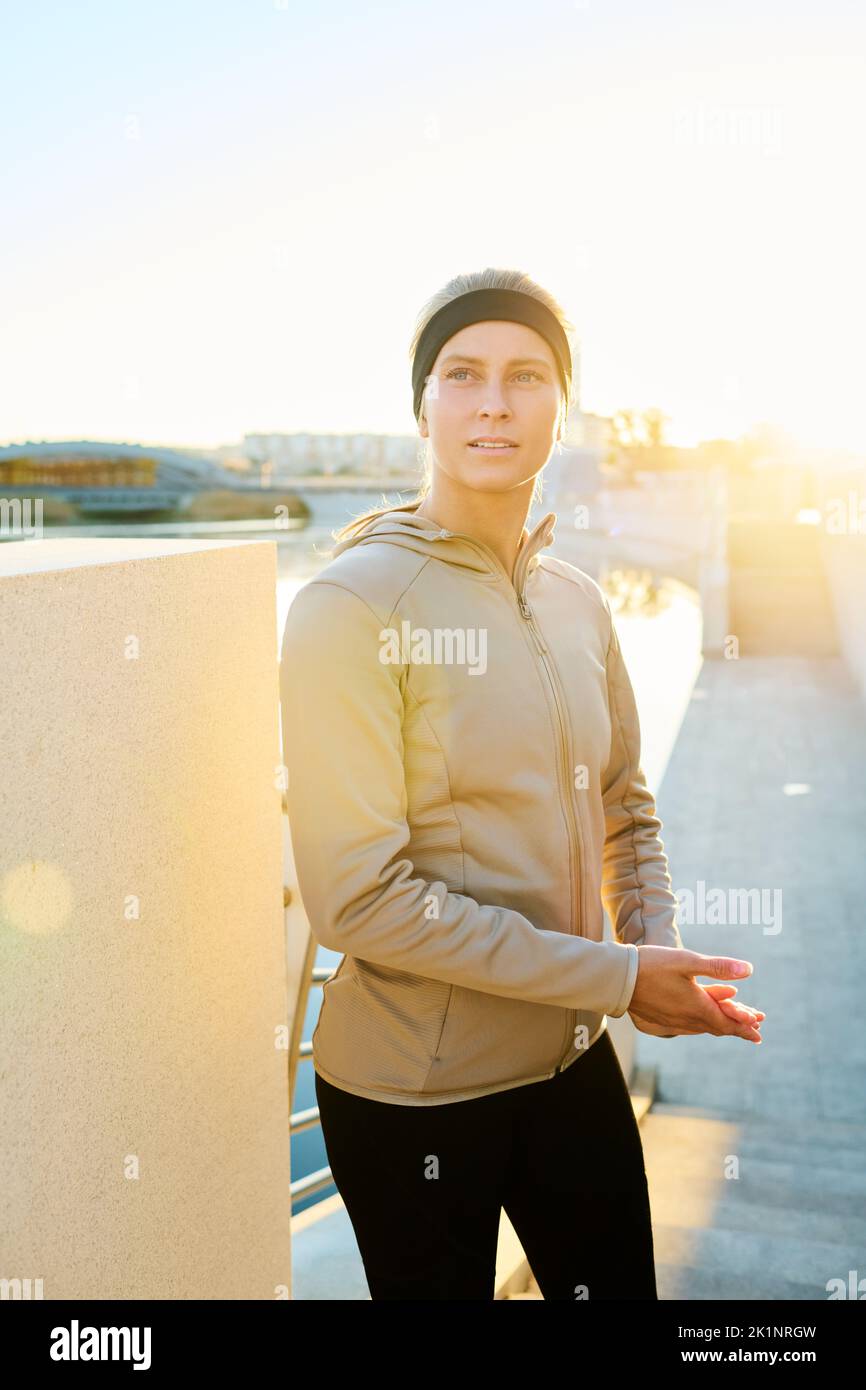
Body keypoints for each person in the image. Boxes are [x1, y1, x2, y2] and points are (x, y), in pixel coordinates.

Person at [278, 266, 765, 1300]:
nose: (493, 401)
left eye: (526, 375)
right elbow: (359, 898)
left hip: (571, 1064)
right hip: (414, 1095)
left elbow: (624, 805)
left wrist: (647, 945)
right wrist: (618, 980)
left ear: (564, 406)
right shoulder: (348, 606)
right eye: (461, 373)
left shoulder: (577, 601)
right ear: (421, 405)